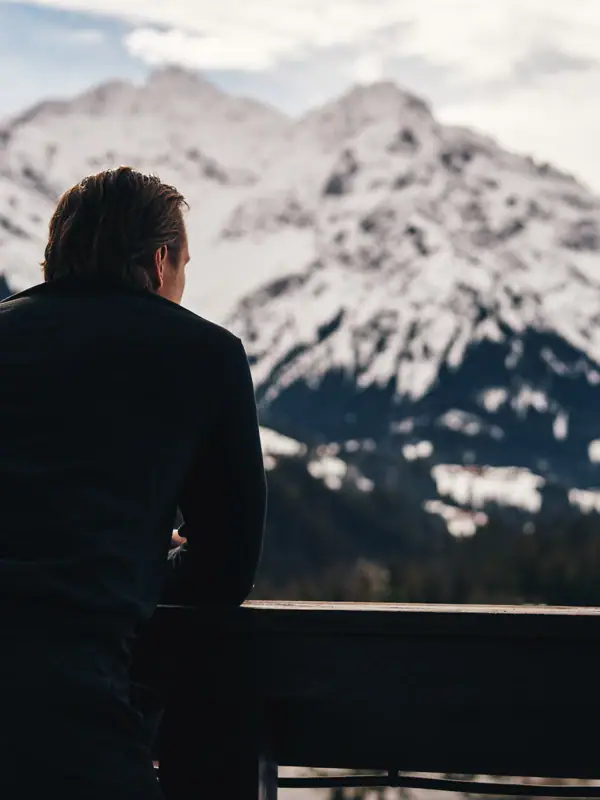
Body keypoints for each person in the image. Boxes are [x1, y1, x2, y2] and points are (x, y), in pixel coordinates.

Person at [0, 167, 267, 798]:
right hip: (71, 719)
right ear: (159, 260)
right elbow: (225, 571)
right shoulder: (206, 354)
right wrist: (146, 559)